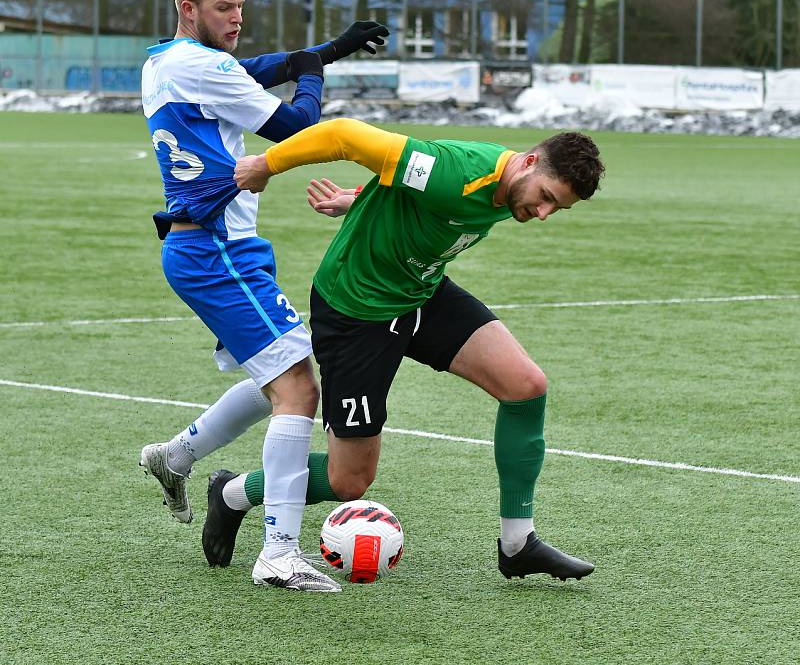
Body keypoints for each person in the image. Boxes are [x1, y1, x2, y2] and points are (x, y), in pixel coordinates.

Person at [202, 117, 605, 582]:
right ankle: (232, 493)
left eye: (558, 208)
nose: (543, 214)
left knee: (526, 387)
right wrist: (265, 165)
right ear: (529, 161)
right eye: (547, 198)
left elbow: (415, 199)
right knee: (348, 482)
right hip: (359, 311)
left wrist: (360, 200)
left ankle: (517, 544)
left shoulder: (511, 185)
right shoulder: (453, 172)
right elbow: (344, 135)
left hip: (421, 292)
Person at [139, 0, 388, 593]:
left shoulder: (165, 61)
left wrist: (323, 50)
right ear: (189, 10)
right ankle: (279, 551)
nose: (237, 15)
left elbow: (247, 67)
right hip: (216, 250)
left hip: (213, 247)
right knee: (299, 389)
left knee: (283, 370)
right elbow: (296, 127)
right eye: (224, 7)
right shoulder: (204, 68)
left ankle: (178, 454)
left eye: (241, 4)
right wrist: (315, 73)